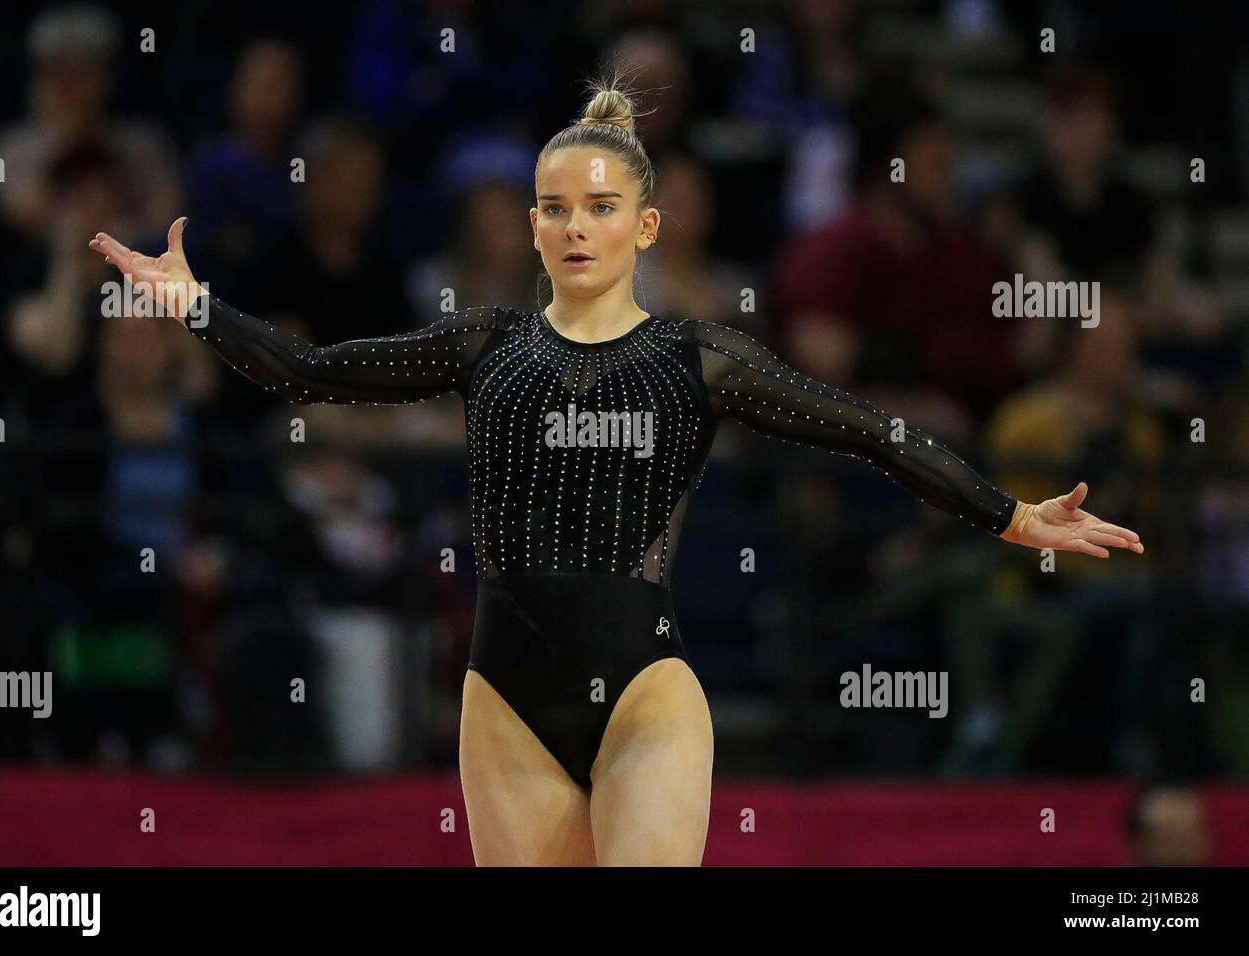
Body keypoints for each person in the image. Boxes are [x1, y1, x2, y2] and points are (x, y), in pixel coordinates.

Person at [89, 75, 1144, 866]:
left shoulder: (700, 360)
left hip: (643, 691)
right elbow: (309, 371)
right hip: (502, 699)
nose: (574, 225)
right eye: (554, 206)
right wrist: (192, 304)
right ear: (534, 225)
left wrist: (1008, 513)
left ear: (643, 224)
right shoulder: (484, 343)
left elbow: (872, 430)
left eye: (599, 207)